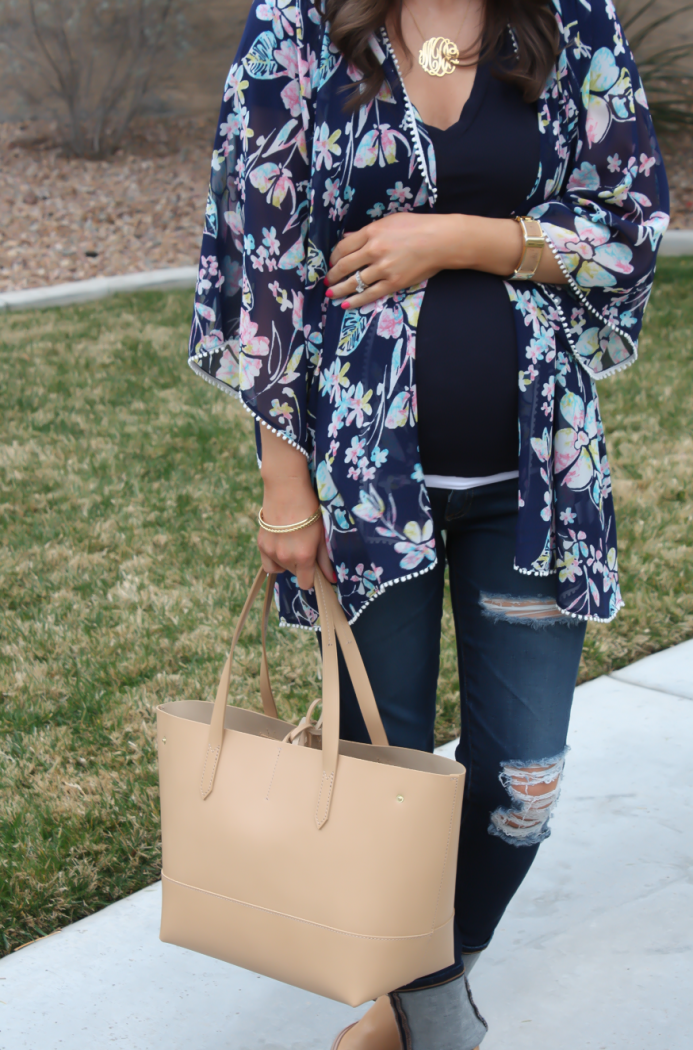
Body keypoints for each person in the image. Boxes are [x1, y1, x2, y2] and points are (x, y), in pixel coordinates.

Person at [188, 0, 669, 1045]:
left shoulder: (566, 20)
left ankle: (419, 995)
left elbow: (629, 222)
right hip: (365, 490)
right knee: (380, 782)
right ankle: (435, 1019)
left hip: (534, 477)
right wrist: (285, 483)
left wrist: (461, 239)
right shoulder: (299, 26)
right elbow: (255, 259)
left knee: (523, 779)